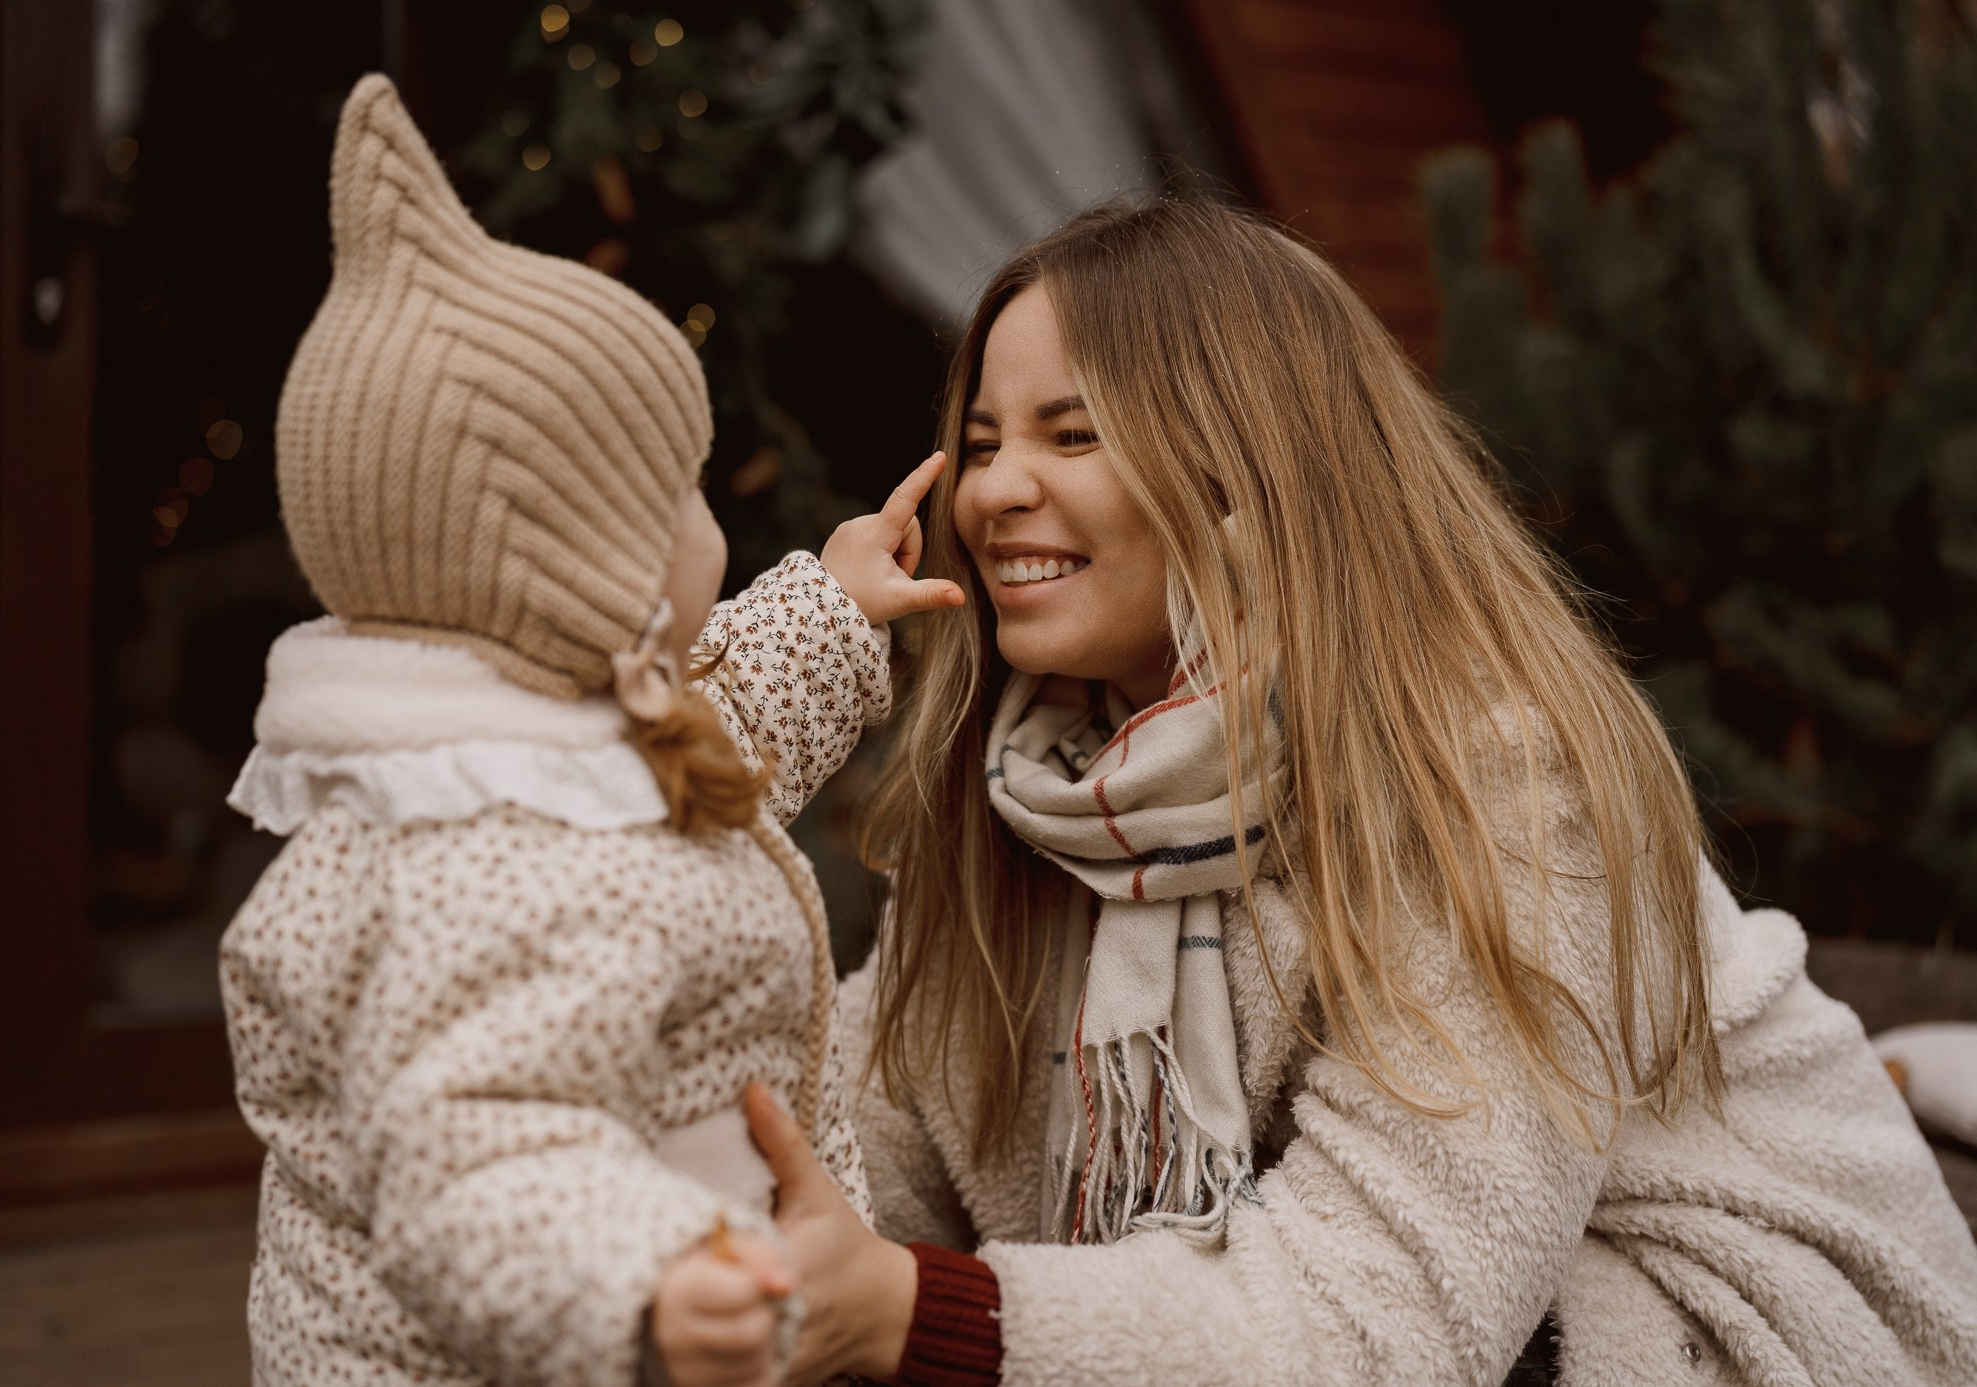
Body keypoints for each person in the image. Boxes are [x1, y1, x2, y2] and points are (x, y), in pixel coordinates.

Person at [729, 201, 1977, 1386]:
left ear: (1248, 465)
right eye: (986, 442)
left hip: (1726, 1330)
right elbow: (841, 1145)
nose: (993, 490)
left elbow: (1383, 1325)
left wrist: (911, 1310)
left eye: (1074, 433)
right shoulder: (1030, 792)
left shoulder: (1484, 777)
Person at [218, 76, 955, 1387]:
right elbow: (481, 1146)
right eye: (671, 483)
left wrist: (833, 603)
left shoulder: (532, 751)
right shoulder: (488, 859)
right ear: (586, 571)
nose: (699, 501)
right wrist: (645, 1279)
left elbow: (706, 751)